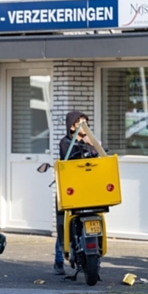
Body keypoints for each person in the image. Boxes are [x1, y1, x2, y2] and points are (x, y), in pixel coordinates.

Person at [53, 110, 97, 276]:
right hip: (71, 187)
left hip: (87, 187)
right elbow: (67, 159)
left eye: (85, 122)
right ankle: (59, 260)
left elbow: (99, 158)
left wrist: (91, 144)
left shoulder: (90, 141)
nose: (83, 125)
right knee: (64, 223)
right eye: (80, 123)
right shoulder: (65, 142)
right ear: (72, 126)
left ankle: (94, 252)